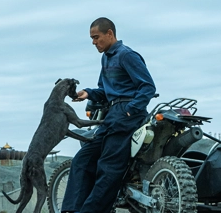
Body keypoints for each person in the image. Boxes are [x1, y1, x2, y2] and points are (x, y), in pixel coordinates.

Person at [61, 17, 156, 213]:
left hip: (127, 115)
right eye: (91, 38)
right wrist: (87, 93)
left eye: (96, 37)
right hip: (111, 115)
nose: (93, 42)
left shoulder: (127, 55)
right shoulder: (106, 58)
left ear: (109, 34)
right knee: (82, 159)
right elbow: (104, 90)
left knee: (107, 167)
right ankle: (70, 210)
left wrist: (130, 109)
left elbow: (147, 86)